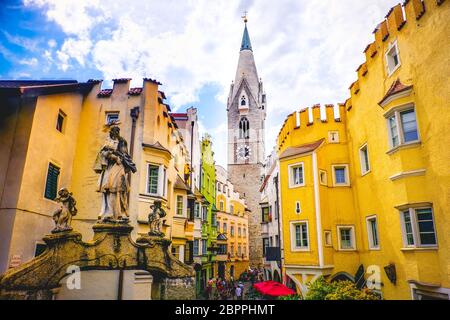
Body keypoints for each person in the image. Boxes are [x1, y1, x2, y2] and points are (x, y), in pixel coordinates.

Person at [94, 125, 136, 221]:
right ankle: (108, 211)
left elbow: (125, 155)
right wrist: (110, 155)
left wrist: (118, 158)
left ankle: (119, 212)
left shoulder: (122, 142)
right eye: (113, 131)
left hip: (118, 167)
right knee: (106, 189)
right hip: (108, 168)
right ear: (111, 132)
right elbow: (102, 153)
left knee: (118, 189)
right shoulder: (107, 141)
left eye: (117, 131)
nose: (115, 133)